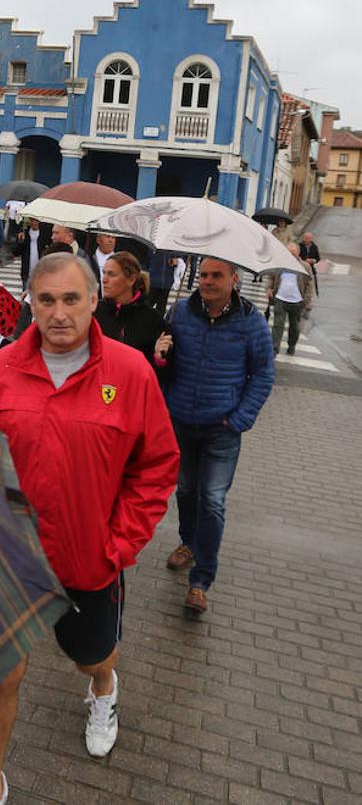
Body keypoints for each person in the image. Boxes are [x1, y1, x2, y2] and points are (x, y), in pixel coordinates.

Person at [0, 254, 178, 803]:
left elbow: (156, 465)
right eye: (46, 300)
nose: (58, 313)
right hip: (12, 557)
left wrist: (121, 542)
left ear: (93, 301)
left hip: (88, 560)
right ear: (31, 304)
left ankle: (104, 686)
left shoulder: (130, 372)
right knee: (1, 675)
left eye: (70, 299)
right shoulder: (5, 367)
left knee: (92, 656)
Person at [154, 258, 274, 614]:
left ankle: (201, 581)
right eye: (203, 275)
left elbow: (264, 375)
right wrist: (160, 357)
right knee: (186, 490)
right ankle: (188, 543)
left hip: (221, 428)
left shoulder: (251, 321)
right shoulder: (180, 312)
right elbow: (168, 364)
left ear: (234, 279)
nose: (206, 281)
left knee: (213, 500)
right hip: (181, 423)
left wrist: (239, 419)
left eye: (215, 275)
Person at [95, 252, 168, 364]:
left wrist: (159, 359)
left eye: (111, 274)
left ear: (131, 280)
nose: (104, 280)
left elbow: (159, 372)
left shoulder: (153, 320)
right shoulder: (94, 311)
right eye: (104, 273)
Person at [266, 244, 314, 356]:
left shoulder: (305, 266)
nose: (290, 255)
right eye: (288, 253)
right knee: (278, 325)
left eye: (293, 253)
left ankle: (291, 345)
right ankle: (274, 348)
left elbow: (309, 284)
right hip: (280, 299)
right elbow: (270, 277)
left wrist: (306, 300)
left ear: (298, 253)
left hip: (297, 301)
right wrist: (268, 288)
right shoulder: (280, 263)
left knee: (294, 327)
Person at [13, 218, 52, 291]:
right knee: (26, 296)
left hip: (41, 271)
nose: (34, 223)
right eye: (32, 221)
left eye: (36, 221)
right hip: (27, 271)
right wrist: (20, 241)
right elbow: (15, 252)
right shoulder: (24, 234)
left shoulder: (45, 234)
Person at [299, 231, 320, 295]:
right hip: (301, 267)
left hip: (310, 268)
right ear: (303, 238)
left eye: (309, 238)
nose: (308, 240)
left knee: (310, 284)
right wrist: (305, 260)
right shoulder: (299, 245)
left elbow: (318, 258)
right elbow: (297, 256)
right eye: (306, 238)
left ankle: (308, 295)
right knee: (301, 283)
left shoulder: (314, 247)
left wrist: (314, 260)